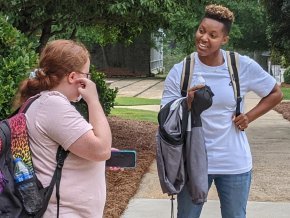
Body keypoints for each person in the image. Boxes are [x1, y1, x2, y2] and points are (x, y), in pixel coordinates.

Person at [161, 4, 283, 218]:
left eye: (213, 35)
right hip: (193, 163)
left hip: (234, 161)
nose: (204, 38)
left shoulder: (239, 65)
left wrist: (248, 117)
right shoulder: (182, 70)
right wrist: (186, 102)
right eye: (201, 30)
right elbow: (164, 115)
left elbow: (275, 93)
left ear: (224, 40)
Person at [13, 39, 112, 218]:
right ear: (73, 77)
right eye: (87, 75)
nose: (89, 80)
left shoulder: (42, 102)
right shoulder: (52, 105)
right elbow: (101, 149)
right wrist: (93, 100)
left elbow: (73, 148)